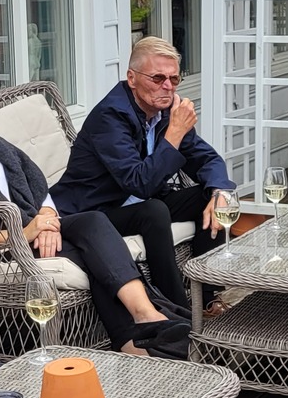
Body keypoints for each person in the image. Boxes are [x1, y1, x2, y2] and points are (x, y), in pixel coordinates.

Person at [0, 58, 191, 358]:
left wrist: (47, 220)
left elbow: (38, 187)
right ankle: (140, 332)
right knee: (93, 255)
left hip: (30, 228)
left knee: (93, 222)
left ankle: (145, 317)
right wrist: (24, 233)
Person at [50, 37, 231, 315]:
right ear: (132, 78)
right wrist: (173, 135)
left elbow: (207, 159)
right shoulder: (110, 116)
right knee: (154, 210)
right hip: (93, 212)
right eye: (157, 78)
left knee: (209, 198)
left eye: (174, 78)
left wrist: (220, 192)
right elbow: (139, 183)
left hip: (140, 203)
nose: (167, 86)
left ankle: (205, 298)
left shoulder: (166, 112)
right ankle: (179, 311)